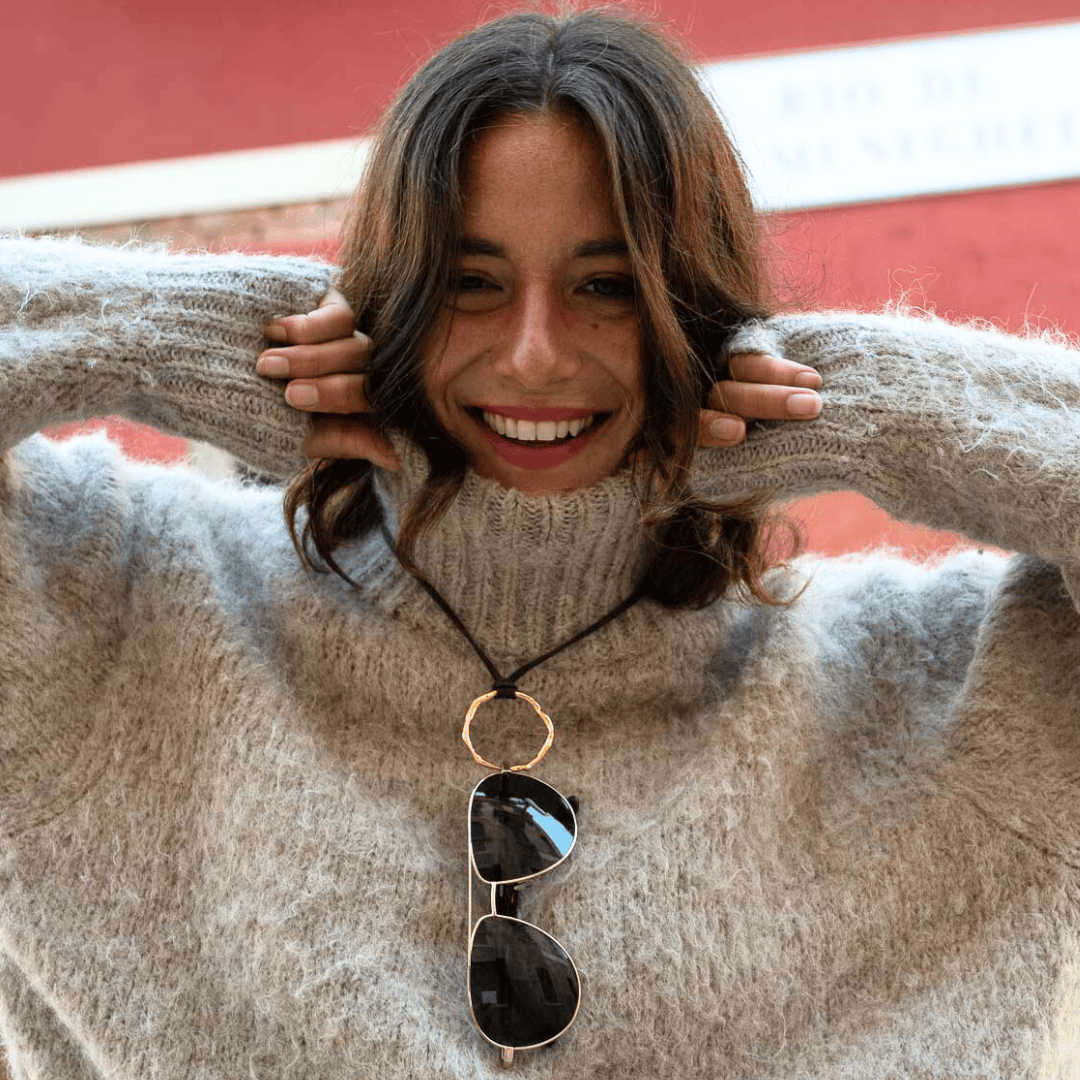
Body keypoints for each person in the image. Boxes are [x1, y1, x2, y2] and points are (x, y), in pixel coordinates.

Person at [2, 8, 1079, 1079]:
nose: (533, 356)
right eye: (469, 283)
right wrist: (165, 335)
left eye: (607, 287)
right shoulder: (115, 607)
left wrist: (865, 405)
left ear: (696, 316)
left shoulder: (939, 698)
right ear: (389, 303)